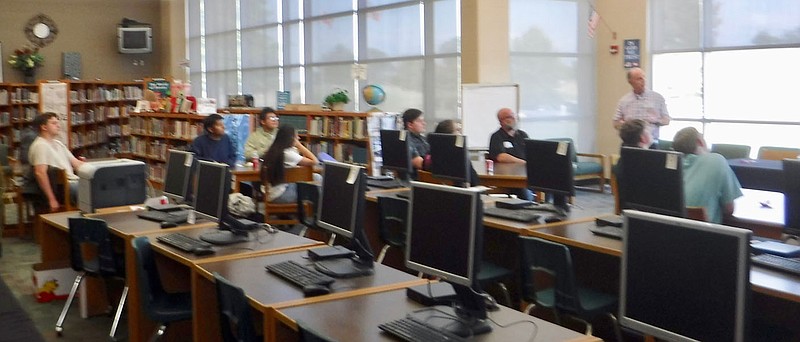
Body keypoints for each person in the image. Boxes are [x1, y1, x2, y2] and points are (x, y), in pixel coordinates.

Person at [672, 127, 742, 224]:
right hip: (708, 234)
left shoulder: (671, 165)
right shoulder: (716, 160)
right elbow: (729, 209)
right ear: (700, 142)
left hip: (672, 232)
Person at [28, 113, 85, 212]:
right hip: (62, 188)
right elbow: (40, 173)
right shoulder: (40, 146)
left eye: (58, 123)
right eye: (54, 123)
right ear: (44, 127)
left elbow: (76, 163)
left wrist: (94, 169)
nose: (58, 126)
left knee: (100, 185)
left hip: (73, 182)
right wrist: (51, 199)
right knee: (92, 190)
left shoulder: (58, 144)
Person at [612, 67, 670, 149]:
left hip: (652, 144)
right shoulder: (624, 101)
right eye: (639, 79)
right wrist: (628, 125)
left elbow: (667, 120)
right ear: (630, 82)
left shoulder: (657, 98)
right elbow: (615, 123)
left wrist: (655, 120)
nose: (643, 81)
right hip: (630, 144)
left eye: (644, 77)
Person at [261, 125, 320, 203]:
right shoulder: (287, 153)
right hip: (281, 195)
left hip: (271, 193)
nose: (298, 138)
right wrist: (299, 145)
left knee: (313, 179)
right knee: (316, 180)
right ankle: (320, 209)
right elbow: (315, 161)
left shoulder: (273, 150)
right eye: (296, 136)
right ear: (290, 138)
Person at [488, 108, 532, 200]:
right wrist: (523, 162)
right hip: (508, 177)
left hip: (526, 173)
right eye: (509, 117)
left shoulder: (522, 135)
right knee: (525, 193)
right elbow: (501, 157)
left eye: (514, 116)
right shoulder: (496, 137)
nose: (513, 119)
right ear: (501, 121)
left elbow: (532, 152)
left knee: (548, 185)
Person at [612, 119, 652, 208]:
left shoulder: (624, 158)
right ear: (643, 138)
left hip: (626, 207)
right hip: (645, 209)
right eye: (649, 132)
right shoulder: (648, 161)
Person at [432, 120, 480, 186]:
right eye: (458, 130)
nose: (460, 134)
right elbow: (474, 181)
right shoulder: (459, 157)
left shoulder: (431, 155)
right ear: (449, 136)